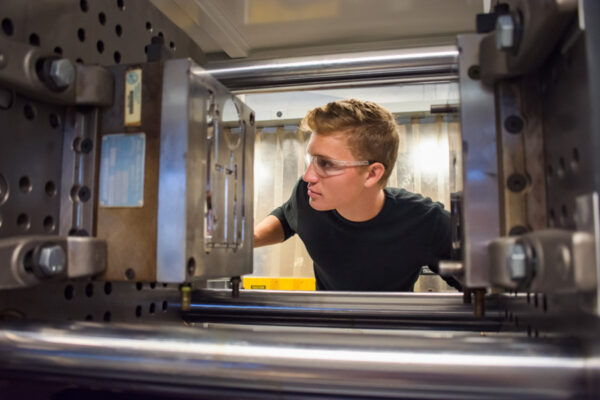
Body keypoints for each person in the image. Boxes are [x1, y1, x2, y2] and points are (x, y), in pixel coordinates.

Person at [253, 99, 459, 291]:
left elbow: (479, 285)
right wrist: (249, 240)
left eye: (325, 164)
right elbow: (288, 218)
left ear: (371, 174)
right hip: (328, 324)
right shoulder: (308, 195)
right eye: (311, 160)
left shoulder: (425, 221)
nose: (308, 176)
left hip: (389, 326)